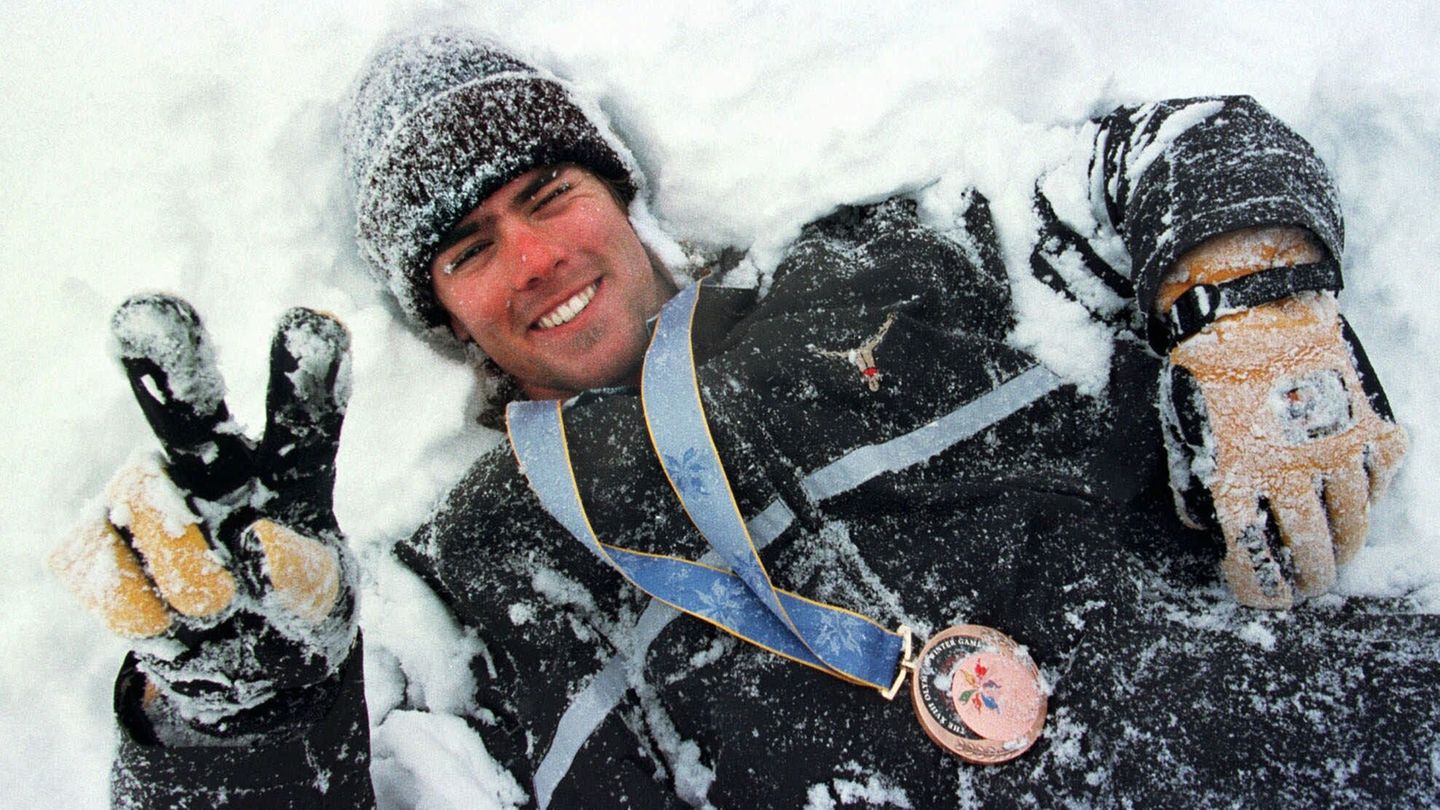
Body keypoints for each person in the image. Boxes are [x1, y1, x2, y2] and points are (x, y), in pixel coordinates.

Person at [52, 27, 1439, 808]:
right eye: (472, 249)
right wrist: (238, 721)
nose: (537, 259)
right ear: (444, 317)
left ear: (618, 192)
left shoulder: (882, 261)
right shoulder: (459, 583)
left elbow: (1162, 149)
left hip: (1301, 742)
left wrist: (1245, 300)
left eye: (550, 199)